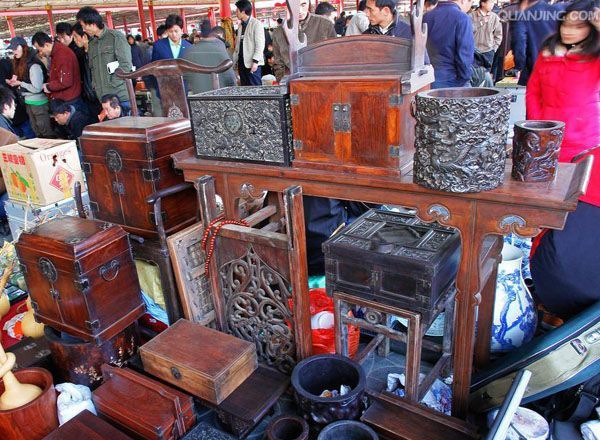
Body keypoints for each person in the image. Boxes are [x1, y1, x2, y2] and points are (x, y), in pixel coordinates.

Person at [528, 0, 600, 319]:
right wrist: (536, 128)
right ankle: (541, 270)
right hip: (546, 140)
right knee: (542, 207)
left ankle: (562, 283)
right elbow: (533, 89)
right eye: (565, 23)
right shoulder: (549, 49)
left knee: (573, 215)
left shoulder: (596, 54)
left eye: (578, 25)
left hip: (584, 144)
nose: (569, 31)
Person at [76, 6, 133, 113]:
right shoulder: (92, 44)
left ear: (92, 23)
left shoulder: (115, 37)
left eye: (84, 26)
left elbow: (125, 64)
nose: (83, 30)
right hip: (103, 98)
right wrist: (95, 86)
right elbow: (92, 69)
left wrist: (113, 83)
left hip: (119, 97)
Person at [272, 0, 336, 81]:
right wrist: (283, 81)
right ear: (288, 6)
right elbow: (278, 62)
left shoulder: (325, 24)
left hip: (322, 79)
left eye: (303, 5)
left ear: (309, 3)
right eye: (295, 5)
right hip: (292, 81)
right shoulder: (279, 32)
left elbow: (335, 56)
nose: (299, 10)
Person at [5, 37, 55, 138]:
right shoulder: (21, 63)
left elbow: (37, 88)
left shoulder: (33, 64)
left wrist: (20, 83)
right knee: (37, 132)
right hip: (29, 102)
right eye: (12, 49)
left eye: (16, 48)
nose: (14, 51)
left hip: (39, 103)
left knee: (45, 132)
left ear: (24, 47)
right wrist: (14, 82)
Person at [423, 0, 475, 88]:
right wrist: (465, 77)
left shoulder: (426, 17)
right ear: (464, 1)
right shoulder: (462, 18)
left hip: (427, 79)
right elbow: (464, 54)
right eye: (471, 3)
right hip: (452, 79)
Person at [32, 32, 84, 116]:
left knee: (74, 122)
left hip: (70, 100)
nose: (40, 53)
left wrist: (48, 86)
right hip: (67, 98)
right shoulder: (56, 53)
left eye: (40, 50)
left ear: (47, 45)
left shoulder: (62, 55)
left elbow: (65, 82)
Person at [510, 0, 561, 85]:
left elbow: (519, 45)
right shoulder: (558, 11)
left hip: (534, 71)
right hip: (558, 68)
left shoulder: (521, 17)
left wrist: (519, 66)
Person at [182, 25, 237, 93]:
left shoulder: (190, 50)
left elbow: (186, 76)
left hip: (199, 94)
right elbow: (230, 77)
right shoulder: (220, 49)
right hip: (220, 93)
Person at [72, 22, 101, 121]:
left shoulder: (97, 53)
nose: (74, 40)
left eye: (76, 37)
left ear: (84, 36)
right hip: (89, 97)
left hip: (99, 97)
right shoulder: (81, 55)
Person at [233, 0, 265, 86]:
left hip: (252, 63)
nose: (236, 13)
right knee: (245, 88)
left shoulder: (256, 24)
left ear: (243, 11)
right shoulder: (240, 25)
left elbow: (260, 45)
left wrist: (255, 62)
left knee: (255, 88)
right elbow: (238, 46)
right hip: (242, 63)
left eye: (237, 11)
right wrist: (235, 62)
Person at [469, 0, 503, 69]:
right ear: (483, 3)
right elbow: (468, 30)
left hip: (488, 51)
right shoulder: (471, 16)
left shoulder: (495, 17)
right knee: (474, 73)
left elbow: (498, 35)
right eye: (491, 2)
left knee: (486, 73)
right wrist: (480, 23)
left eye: (493, 2)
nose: (493, 4)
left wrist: (494, 49)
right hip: (473, 51)